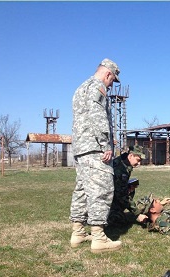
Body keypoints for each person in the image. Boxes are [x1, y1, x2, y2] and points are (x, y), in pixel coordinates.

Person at [69, 58, 122, 253]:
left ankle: (78, 232)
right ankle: (98, 237)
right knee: (101, 188)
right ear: (108, 74)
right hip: (95, 147)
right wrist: (105, 144)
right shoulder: (97, 87)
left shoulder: (80, 88)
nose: (110, 85)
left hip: (81, 148)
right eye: (112, 81)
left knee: (82, 189)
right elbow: (97, 115)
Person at [107, 145, 148, 225]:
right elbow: (121, 195)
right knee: (120, 220)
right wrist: (137, 214)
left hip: (112, 197)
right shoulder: (120, 168)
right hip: (106, 202)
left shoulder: (125, 164)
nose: (139, 163)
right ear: (131, 156)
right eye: (138, 160)